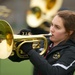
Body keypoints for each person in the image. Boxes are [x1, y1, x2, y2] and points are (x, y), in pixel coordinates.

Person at [9, 10, 75, 75]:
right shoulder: (45, 42)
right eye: (52, 24)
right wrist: (16, 45)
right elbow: (16, 58)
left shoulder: (72, 51)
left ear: (69, 32)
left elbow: (54, 72)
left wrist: (30, 51)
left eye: (57, 27)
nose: (51, 29)